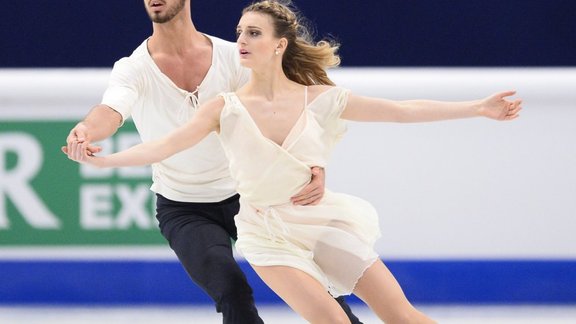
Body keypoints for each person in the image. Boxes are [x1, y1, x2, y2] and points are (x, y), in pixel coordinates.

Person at [71, 0, 522, 323]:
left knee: (398, 315)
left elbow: (399, 110)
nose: (243, 40)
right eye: (241, 31)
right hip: (230, 218)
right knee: (257, 299)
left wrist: (477, 107)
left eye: (254, 33)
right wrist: (100, 153)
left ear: (279, 44)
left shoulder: (289, 85)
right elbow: (155, 139)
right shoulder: (204, 97)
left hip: (294, 211)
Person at [61, 0, 364, 323]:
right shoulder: (133, 69)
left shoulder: (233, 57)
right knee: (232, 292)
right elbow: (112, 110)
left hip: (252, 198)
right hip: (185, 208)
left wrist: (313, 163)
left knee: (317, 283)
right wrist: (86, 130)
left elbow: (285, 109)